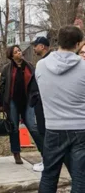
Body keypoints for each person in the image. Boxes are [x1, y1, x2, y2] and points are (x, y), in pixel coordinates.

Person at [36, 26, 85, 193]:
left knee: (49, 175)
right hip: (81, 128)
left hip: (53, 126)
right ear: (78, 44)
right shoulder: (84, 68)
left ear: (58, 41)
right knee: (80, 177)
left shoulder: (41, 66)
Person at [0, 45, 43, 165]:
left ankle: (44, 151)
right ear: (11, 56)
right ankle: (16, 153)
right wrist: (1, 104)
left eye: (19, 50)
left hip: (28, 101)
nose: (19, 53)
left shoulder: (29, 66)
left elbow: (35, 81)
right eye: (16, 52)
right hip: (12, 101)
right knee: (14, 127)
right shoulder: (7, 68)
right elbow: (2, 87)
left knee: (32, 126)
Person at [27, 37, 51, 172]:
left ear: (42, 46)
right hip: (41, 103)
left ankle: (47, 162)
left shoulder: (47, 62)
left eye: (35, 46)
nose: (34, 48)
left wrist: (36, 97)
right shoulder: (43, 61)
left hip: (44, 104)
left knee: (44, 132)